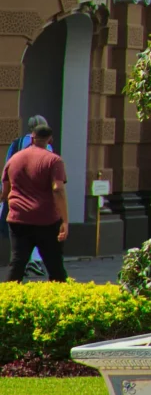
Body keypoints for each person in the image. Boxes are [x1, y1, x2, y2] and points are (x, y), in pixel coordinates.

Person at [3, 120, 68, 282]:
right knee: (55, 265)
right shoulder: (54, 160)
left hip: (18, 218)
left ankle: (6, 300)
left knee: (17, 263)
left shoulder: (14, 159)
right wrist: (65, 220)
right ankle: (59, 301)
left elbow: (5, 190)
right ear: (50, 140)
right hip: (46, 219)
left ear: (32, 138)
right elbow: (58, 189)